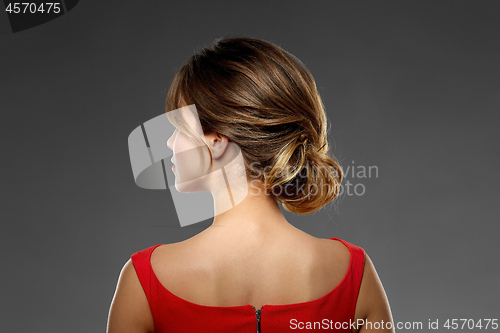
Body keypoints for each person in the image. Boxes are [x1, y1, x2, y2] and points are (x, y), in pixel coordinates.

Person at [107, 36, 395, 333]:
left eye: (179, 128)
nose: (169, 142)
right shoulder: (355, 275)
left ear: (217, 141)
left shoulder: (144, 281)